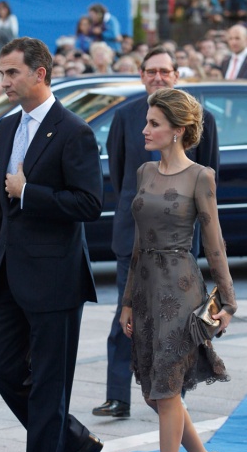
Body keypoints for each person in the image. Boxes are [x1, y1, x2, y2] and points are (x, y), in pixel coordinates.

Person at [0, 37, 104, 452]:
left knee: (50, 387)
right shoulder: (7, 127)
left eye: (10, 73)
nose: (3, 81)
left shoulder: (74, 132)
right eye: (1, 73)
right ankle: (74, 441)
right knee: (5, 372)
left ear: (40, 73)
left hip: (55, 279)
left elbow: (89, 205)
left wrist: (31, 192)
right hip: (8, 275)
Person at [120, 88, 236, 452]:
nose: (145, 129)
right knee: (157, 393)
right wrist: (127, 300)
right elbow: (136, 242)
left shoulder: (200, 177)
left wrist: (228, 300)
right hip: (147, 291)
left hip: (181, 291)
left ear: (178, 131)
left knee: (167, 392)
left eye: (154, 123)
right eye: (147, 121)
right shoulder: (145, 171)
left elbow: (214, 242)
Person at [92, 46, 220, 420]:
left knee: (177, 319)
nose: (158, 77)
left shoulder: (202, 120)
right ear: (142, 75)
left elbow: (207, 176)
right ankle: (118, 395)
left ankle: (175, 388)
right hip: (132, 237)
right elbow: (119, 176)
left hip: (179, 242)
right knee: (125, 314)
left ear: (177, 75)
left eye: (165, 71)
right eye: (151, 71)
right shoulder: (125, 116)